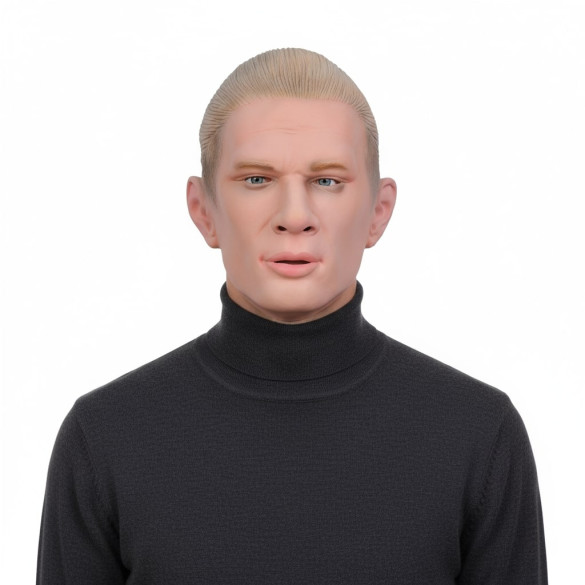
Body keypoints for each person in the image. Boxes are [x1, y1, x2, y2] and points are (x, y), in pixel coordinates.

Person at [36, 48, 548, 584]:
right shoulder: (105, 439)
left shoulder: (478, 437)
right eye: (257, 179)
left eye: (327, 181)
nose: (295, 217)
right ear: (204, 211)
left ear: (378, 213)